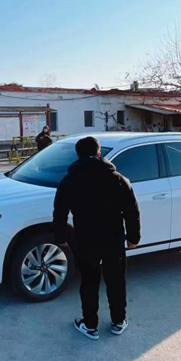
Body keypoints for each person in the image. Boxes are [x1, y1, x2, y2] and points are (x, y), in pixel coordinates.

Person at [52, 136, 140, 341]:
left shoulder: (69, 181)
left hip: (85, 239)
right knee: (116, 280)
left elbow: (60, 212)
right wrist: (133, 237)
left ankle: (90, 325)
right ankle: (119, 321)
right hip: (114, 239)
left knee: (89, 281)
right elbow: (132, 211)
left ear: (78, 155)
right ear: (99, 153)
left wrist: (60, 236)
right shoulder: (118, 179)